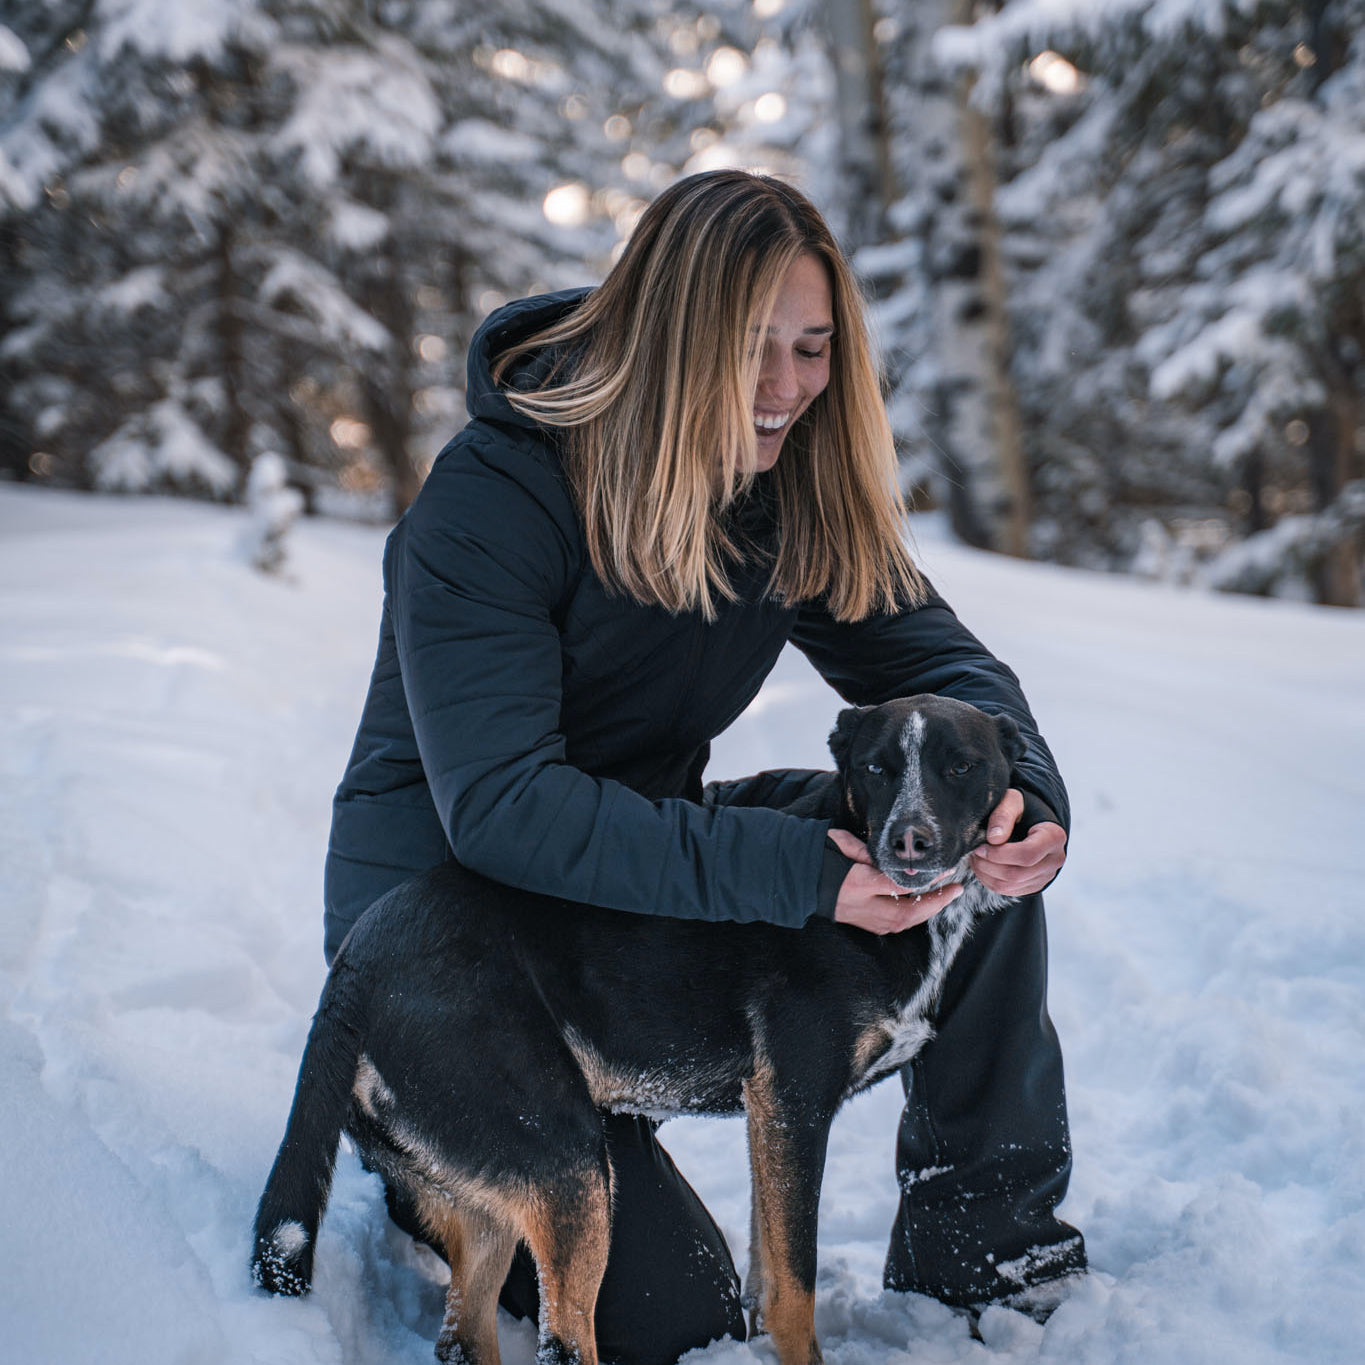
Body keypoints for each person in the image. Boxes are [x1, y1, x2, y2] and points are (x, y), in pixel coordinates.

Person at [322, 169, 1085, 1364]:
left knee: (959, 857)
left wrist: (1022, 796)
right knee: (675, 1325)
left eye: (813, 348)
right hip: (460, 951)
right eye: (751, 350)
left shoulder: (784, 489)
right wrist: (798, 872)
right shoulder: (496, 496)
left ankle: (989, 1256)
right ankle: (442, 1166)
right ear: (671, 341)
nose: (787, 387)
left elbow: (941, 665)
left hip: (627, 904)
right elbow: (507, 810)